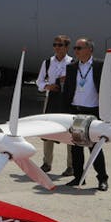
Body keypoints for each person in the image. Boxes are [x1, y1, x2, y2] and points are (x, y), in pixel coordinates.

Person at [62, 38, 111, 191]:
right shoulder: (72, 67)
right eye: (75, 48)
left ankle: (102, 179)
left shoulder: (100, 65)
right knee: (76, 147)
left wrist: (106, 97)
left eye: (79, 48)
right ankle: (79, 177)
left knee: (95, 147)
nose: (76, 51)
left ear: (89, 49)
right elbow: (67, 90)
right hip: (76, 111)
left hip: (93, 112)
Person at [35, 34, 73, 175]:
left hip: (67, 100)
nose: (57, 48)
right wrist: (47, 86)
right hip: (51, 98)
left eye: (60, 45)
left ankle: (71, 166)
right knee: (48, 131)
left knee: (70, 132)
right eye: (55, 45)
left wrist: (67, 80)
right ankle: (47, 163)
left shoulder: (73, 62)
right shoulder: (47, 62)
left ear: (67, 47)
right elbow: (39, 81)